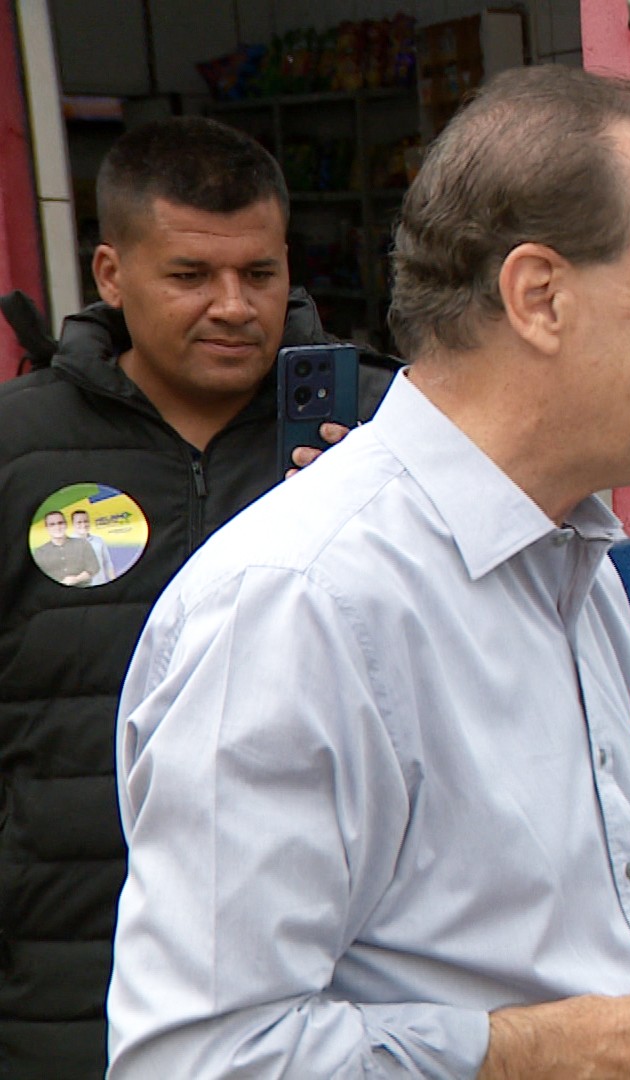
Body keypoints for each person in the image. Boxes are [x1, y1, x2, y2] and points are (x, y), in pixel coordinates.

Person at [109, 66, 630, 1080]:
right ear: (539, 296)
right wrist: (572, 1047)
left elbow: (624, 897)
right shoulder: (297, 605)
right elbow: (200, 1061)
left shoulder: (574, 562)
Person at [0, 115, 393, 1077]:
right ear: (109, 274)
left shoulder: (386, 435)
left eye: (259, 274)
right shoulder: (16, 447)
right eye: (190, 276)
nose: (233, 306)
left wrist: (374, 514)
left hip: (334, 990)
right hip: (62, 991)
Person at [31, 509, 101, 586]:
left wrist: (76, 579)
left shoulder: (82, 543)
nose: (57, 527)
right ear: (47, 528)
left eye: (60, 523)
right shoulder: (40, 552)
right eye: (52, 524)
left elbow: (94, 567)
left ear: (66, 524)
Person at [70, 508, 118, 585]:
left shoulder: (99, 541)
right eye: (79, 522)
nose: (83, 525)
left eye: (86, 521)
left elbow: (107, 563)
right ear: (73, 524)